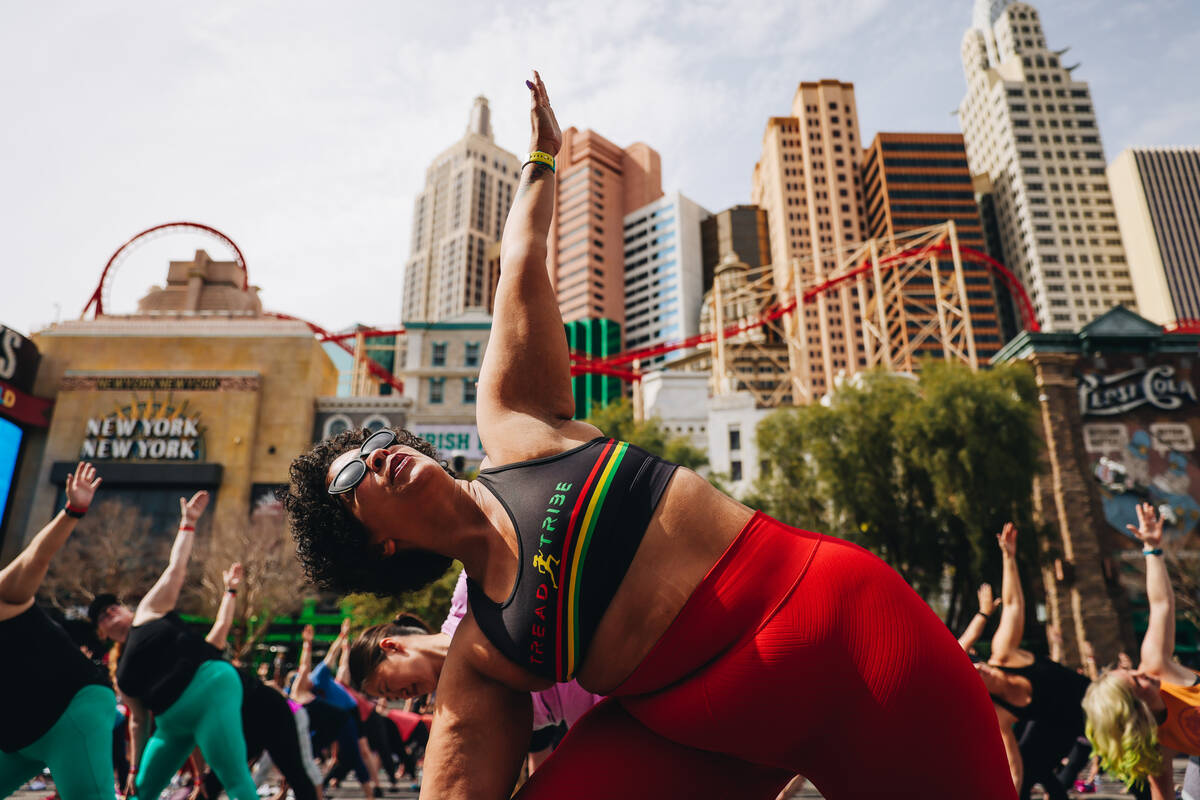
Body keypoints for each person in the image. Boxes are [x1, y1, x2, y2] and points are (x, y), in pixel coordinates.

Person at [281, 71, 1015, 800]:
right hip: (702, 732)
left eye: (375, 439)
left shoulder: (515, 427)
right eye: (355, 478)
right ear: (374, 546)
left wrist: (540, 160)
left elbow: (520, 265)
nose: (379, 456)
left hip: (851, 639)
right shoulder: (484, 654)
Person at [89, 490, 258, 800]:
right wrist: (132, 769)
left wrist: (188, 523)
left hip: (210, 693)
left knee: (234, 780)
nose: (110, 613)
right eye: (102, 615)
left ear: (126, 609)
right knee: (140, 791)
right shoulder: (120, 675)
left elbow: (176, 568)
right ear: (101, 632)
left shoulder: (148, 612)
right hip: (170, 724)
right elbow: (139, 723)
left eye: (113, 606)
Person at [348, 571, 603, 776]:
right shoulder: (455, 713)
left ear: (391, 646)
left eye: (386, 686)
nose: (399, 695)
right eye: (388, 694)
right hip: (606, 727)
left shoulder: (470, 588)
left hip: (618, 652)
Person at [0, 463, 115, 800]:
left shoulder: (3, 594)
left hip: (72, 712)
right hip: (14, 737)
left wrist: (73, 510)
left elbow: (36, 559)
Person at [960, 523, 1091, 800]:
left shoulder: (1003, 653)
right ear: (978, 690)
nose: (980, 666)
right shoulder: (999, 713)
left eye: (976, 664)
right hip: (1069, 728)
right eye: (976, 674)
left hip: (1093, 699)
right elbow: (1012, 763)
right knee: (1031, 771)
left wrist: (1008, 557)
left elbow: (1012, 606)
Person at [1083, 502, 1200, 799]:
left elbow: (1161, 605)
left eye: (1133, 672)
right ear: (1137, 713)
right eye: (1138, 683)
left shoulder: (1155, 665)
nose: (1143, 675)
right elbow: (1162, 794)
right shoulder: (1153, 743)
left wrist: (1151, 549)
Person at [199, 562, 323, 800]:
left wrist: (231, 590)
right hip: (247, 719)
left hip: (272, 710)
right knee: (219, 777)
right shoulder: (178, 691)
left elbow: (223, 624)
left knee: (296, 772)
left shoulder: (202, 656)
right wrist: (197, 776)